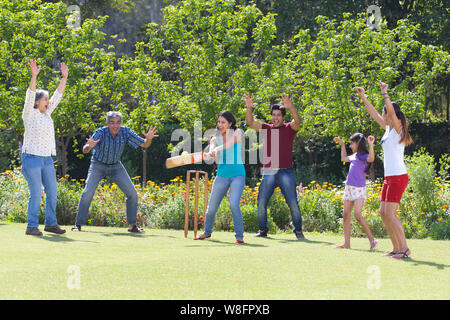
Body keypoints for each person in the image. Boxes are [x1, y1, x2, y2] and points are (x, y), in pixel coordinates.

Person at [71, 112, 158, 233]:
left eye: (118, 122)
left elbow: (144, 144)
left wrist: (148, 138)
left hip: (116, 165)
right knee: (87, 192)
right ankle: (78, 225)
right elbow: (85, 150)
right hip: (98, 164)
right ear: (107, 123)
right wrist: (89, 146)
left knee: (132, 193)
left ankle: (133, 226)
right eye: (112, 123)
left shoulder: (125, 131)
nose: (115, 126)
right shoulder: (100, 132)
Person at [356, 81, 413, 259]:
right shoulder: (388, 130)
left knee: (390, 213)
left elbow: (389, 111)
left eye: (386, 112)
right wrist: (363, 97)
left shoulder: (398, 129)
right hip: (390, 177)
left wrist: (385, 93)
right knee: (383, 213)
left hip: (398, 176)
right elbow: (373, 113)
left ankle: (404, 248)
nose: (383, 115)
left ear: (390, 114)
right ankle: (396, 248)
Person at [244, 93, 305, 240]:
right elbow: (250, 122)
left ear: (283, 117)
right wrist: (248, 108)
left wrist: (290, 107)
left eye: (279, 115)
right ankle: (263, 230)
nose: (276, 117)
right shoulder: (266, 128)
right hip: (269, 172)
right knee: (261, 202)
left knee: (293, 203)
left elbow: (298, 122)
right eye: (273, 115)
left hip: (285, 172)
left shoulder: (289, 129)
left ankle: (298, 231)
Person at [22, 59, 68, 236]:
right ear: (36, 102)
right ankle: (31, 226)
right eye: (45, 99)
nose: (49, 102)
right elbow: (29, 94)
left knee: (52, 192)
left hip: (47, 159)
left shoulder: (47, 114)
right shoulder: (29, 113)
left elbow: (58, 96)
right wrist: (34, 76)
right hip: (31, 159)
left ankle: (50, 224)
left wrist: (64, 78)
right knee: (35, 193)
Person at [194, 111, 246, 243]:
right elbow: (212, 146)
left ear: (230, 123)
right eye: (218, 122)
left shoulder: (237, 132)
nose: (220, 124)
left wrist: (217, 150)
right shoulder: (215, 138)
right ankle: (207, 232)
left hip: (238, 175)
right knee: (211, 207)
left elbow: (229, 145)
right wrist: (211, 151)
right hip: (222, 175)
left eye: (223, 122)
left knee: (234, 204)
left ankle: (239, 236)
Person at [333, 133, 378, 250]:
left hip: (359, 189)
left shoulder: (364, 156)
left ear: (358, 143)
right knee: (346, 215)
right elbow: (343, 158)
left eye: (351, 143)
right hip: (349, 188)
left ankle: (372, 239)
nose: (350, 146)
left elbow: (371, 159)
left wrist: (371, 145)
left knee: (357, 214)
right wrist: (342, 145)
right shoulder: (354, 156)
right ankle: (347, 244)